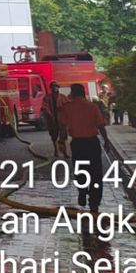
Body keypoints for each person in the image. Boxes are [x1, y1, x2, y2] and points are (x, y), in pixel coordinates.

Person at [57, 83, 108, 214]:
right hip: (92, 143)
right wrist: (106, 141)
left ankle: (82, 191)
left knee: (80, 171)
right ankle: (94, 203)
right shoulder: (92, 107)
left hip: (78, 144)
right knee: (95, 173)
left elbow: (63, 127)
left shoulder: (67, 108)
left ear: (72, 94)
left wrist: (61, 141)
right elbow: (101, 125)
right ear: (84, 93)